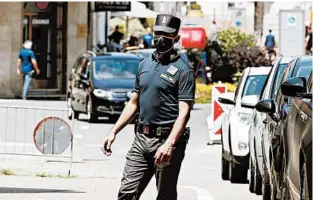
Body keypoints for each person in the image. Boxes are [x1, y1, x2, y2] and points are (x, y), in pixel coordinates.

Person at [102, 14, 195, 200]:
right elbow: (133, 103)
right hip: (141, 138)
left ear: (176, 38)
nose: (160, 37)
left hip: (167, 141)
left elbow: (184, 114)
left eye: (166, 34)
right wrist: (113, 132)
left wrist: (169, 144)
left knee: (165, 195)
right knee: (127, 193)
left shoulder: (184, 70)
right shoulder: (144, 64)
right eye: (157, 32)